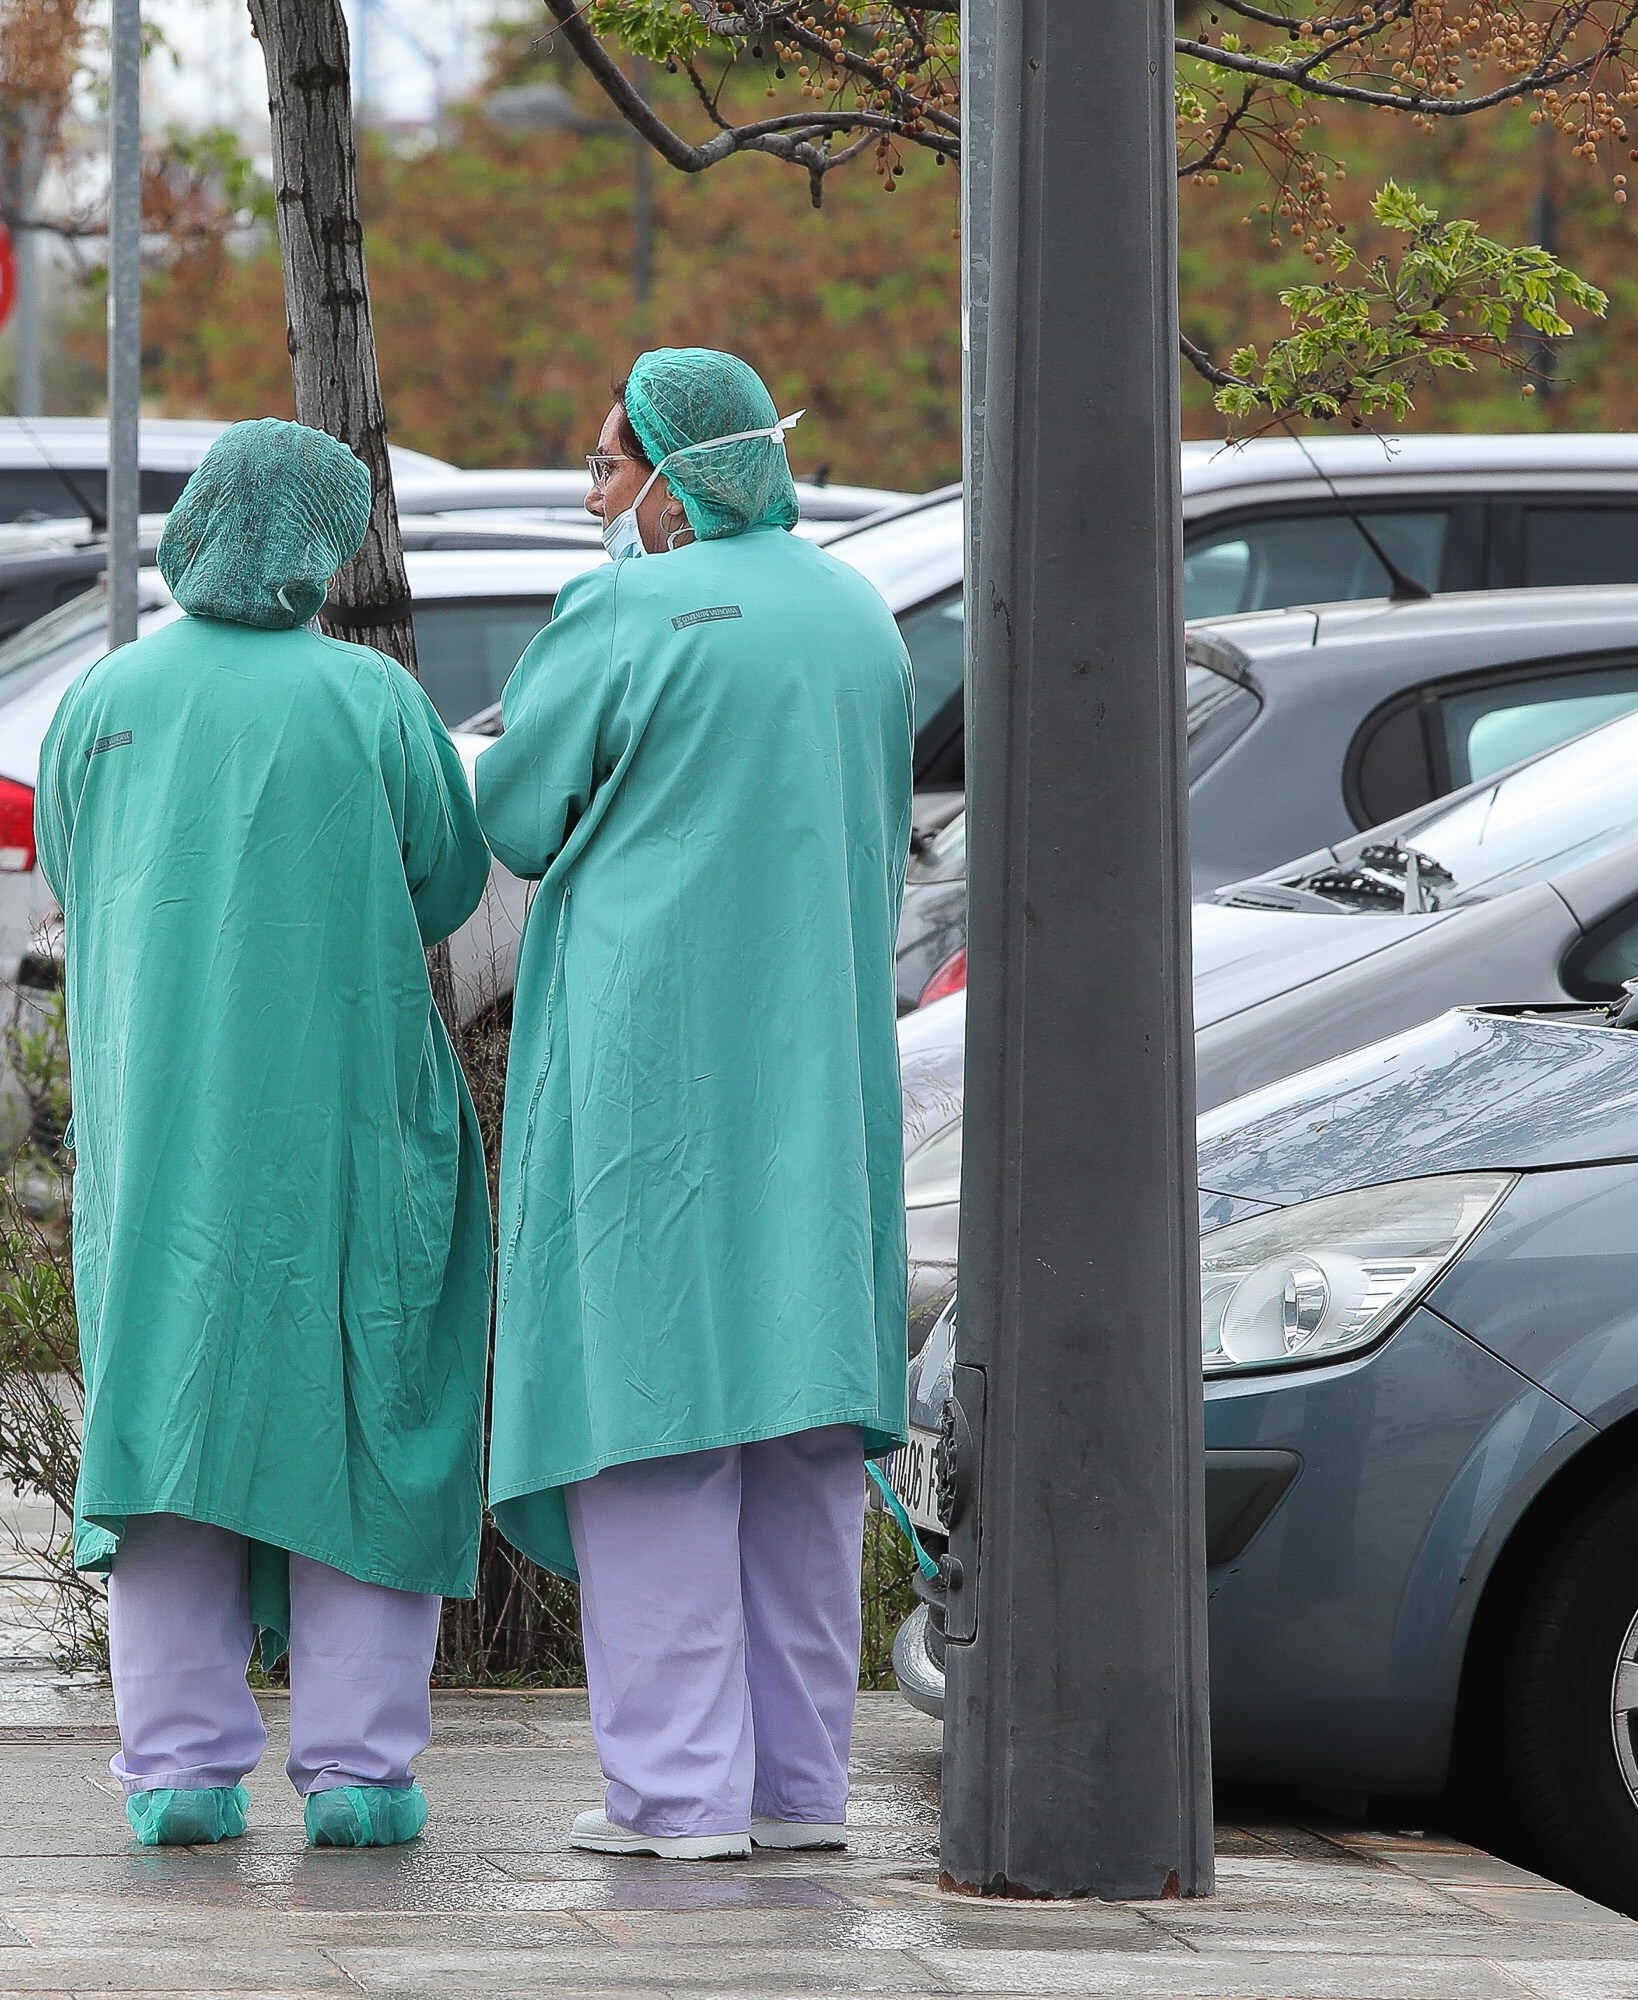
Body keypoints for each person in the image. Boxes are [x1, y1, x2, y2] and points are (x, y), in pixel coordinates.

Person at [475, 349, 914, 1861]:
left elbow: (519, 816)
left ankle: (676, 1798)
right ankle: (800, 1795)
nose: (601, 495)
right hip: (818, 1071)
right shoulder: (858, 613)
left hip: (654, 1072)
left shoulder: (627, 610)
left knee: (652, 1423)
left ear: (673, 468)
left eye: (609, 464)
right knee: (800, 1435)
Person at [36, 417, 495, 1851]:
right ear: (323, 539)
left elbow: (70, 866)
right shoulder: (370, 703)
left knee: (168, 1420)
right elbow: (447, 881)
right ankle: (359, 1771)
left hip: (156, 1125)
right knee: (366, 1414)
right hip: (349, 1121)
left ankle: (177, 1768)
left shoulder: (102, 697)